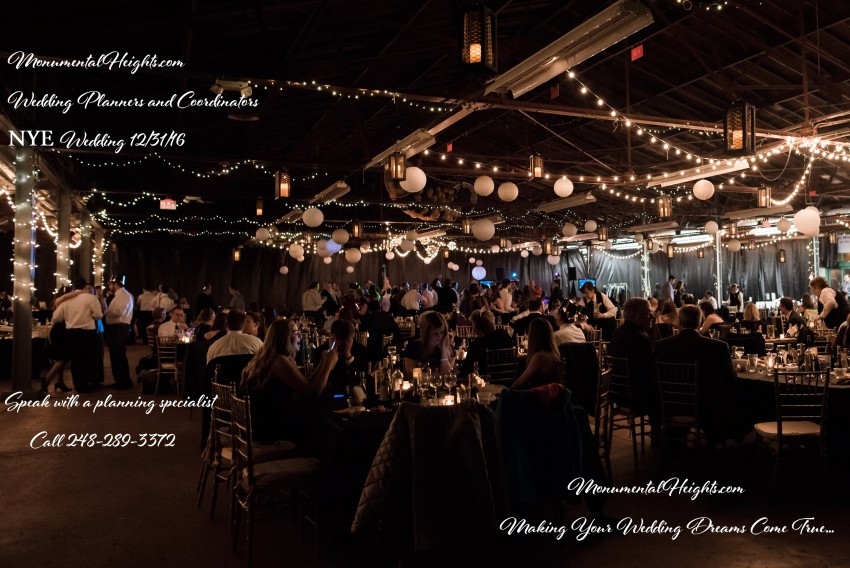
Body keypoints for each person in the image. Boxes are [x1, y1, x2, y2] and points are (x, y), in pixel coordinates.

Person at [239, 320, 338, 444]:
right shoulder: (278, 361)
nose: (300, 335)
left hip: (269, 421)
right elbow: (310, 394)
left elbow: (306, 384)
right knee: (328, 427)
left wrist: (323, 361)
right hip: (270, 429)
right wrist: (328, 365)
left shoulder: (279, 358)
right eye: (296, 333)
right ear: (284, 339)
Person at [655, 304, 738, 443]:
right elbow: (730, 378)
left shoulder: (661, 346)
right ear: (700, 322)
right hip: (707, 407)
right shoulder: (718, 346)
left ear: (679, 322)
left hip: (670, 405)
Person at [608, 298, 659, 437]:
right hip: (636, 396)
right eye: (647, 314)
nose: (651, 317)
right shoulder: (639, 337)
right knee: (666, 391)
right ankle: (661, 436)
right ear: (632, 316)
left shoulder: (618, 332)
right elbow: (652, 366)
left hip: (619, 392)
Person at [51, 278, 103, 393]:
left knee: (76, 359)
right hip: (88, 332)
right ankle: (87, 383)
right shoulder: (91, 298)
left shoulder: (67, 299)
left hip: (72, 333)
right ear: (85, 286)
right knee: (88, 358)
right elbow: (98, 315)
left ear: (74, 287)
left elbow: (56, 318)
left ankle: (78, 383)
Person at [312, 319, 368, 394]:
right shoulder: (320, 352)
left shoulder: (360, 350)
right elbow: (317, 382)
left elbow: (361, 381)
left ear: (351, 339)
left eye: (344, 340)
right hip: (328, 394)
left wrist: (349, 357)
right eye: (338, 340)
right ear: (331, 337)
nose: (340, 344)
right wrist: (331, 353)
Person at [459, 308, 513, 377]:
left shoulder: (476, 345)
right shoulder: (505, 336)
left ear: (478, 326)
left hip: (486, 380)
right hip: (508, 377)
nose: (472, 327)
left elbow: (466, 370)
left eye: (472, 324)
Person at [512, 318, 562, 389]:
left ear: (533, 335)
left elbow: (520, 381)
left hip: (540, 394)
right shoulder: (555, 353)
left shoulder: (540, 357)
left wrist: (506, 392)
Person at [104, 274, 134, 390]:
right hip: (116, 328)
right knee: (115, 355)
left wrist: (105, 310)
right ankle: (119, 380)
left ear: (116, 284)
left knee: (119, 355)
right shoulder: (119, 295)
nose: (109, 286)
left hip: (119, 328)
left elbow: (118, 312)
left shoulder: (124, 295)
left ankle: (124, 381)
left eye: (110, 284)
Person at [402, 311, 455, 377]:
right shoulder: (413, 348)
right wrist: (439, 376)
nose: (439, 336)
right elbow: (412, 376)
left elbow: (447, 377)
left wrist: (443, 351)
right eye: (435, 334)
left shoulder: (450, 349)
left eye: (442, 332)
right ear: (426, 334)